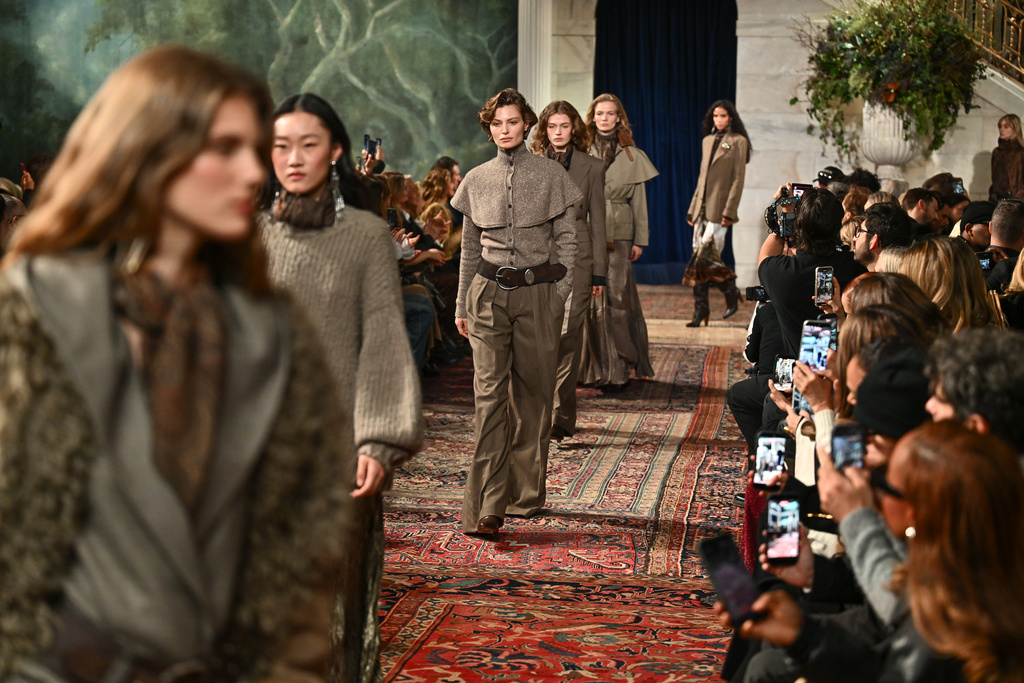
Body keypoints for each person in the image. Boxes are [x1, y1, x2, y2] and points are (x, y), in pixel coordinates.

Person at [0, 46, 366, 682]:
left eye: (255, 150)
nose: (254, 172)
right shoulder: (39, 306)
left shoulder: (267, 327)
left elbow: (293, 561)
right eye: (222, 149)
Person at [256, 92, 424, 678]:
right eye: (281, 146)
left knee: (336, 614)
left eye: (308, 144)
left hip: (339, 451)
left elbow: (383, 335)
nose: (293, 158)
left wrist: (378, 440)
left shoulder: (366, 237)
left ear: (336, 152)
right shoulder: (247, 237)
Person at [722, 421, 1024, 683]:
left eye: (885, 483)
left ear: (914, 513)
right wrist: (801, 632)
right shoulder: (965, 575)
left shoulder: (940, 631)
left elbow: (883, 663)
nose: (872, 489)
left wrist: (805, 639)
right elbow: (874, 634)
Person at [453, 88, 580, 536]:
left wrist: (559, 294)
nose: (504, 130)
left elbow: (569, 241)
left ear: (526, 124)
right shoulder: (476, 178)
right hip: (487, 295)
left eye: (512, 122)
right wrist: (460, 303)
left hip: (538, 294)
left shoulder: (551, 176)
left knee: (533, 398)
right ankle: (487, 506)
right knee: (489, 400)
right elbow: (469, 249)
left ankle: (524, 496)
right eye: (497, 123)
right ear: (489, 129)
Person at [531, 99, 607, 441]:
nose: (558, 132)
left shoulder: (592, 166)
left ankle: (561, 418)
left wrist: (599, 274)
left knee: (567, 336)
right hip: (536, 260)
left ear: (574, 128)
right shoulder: (530, 165)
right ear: (544, 130)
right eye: (552, 126)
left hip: (578, 258)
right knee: (540, 337)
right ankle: (540, 413)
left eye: (564, 126)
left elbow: (599, 223)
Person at [580, 93, 658, 386]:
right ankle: (590, 367)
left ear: (618, 118)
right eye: (600, 113)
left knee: (617, 295)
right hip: (587, 230)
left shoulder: (631, 155)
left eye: (610, 113)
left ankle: (619, 366)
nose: (604, 118)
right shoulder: (581, 149)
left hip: (621, 234)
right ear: (593, 116)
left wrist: (640, 239)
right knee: (588, 297)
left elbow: (639, 200)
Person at [683, 100, 751, 325]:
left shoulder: (738, 142)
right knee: (701, 259)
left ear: (731, 117)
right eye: (715, 116)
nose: (718, 120)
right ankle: (706, 306)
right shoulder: (707, 141)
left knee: (705, 257)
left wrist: (729, 211)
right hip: (701, 207)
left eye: (722, 116)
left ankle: (727, 295)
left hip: (719, 208)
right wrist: (693, 209)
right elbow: (702, 178)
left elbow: (738, 180)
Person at [990, 113, 1024, 202]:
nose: (1001, 129)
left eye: (1006, 126)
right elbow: (994, 178)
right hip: (997, 200)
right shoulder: (997, 152)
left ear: (1015, 128)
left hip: (1016, 202)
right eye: (1000, 126)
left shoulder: (1020, 152)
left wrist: (1019, 197)